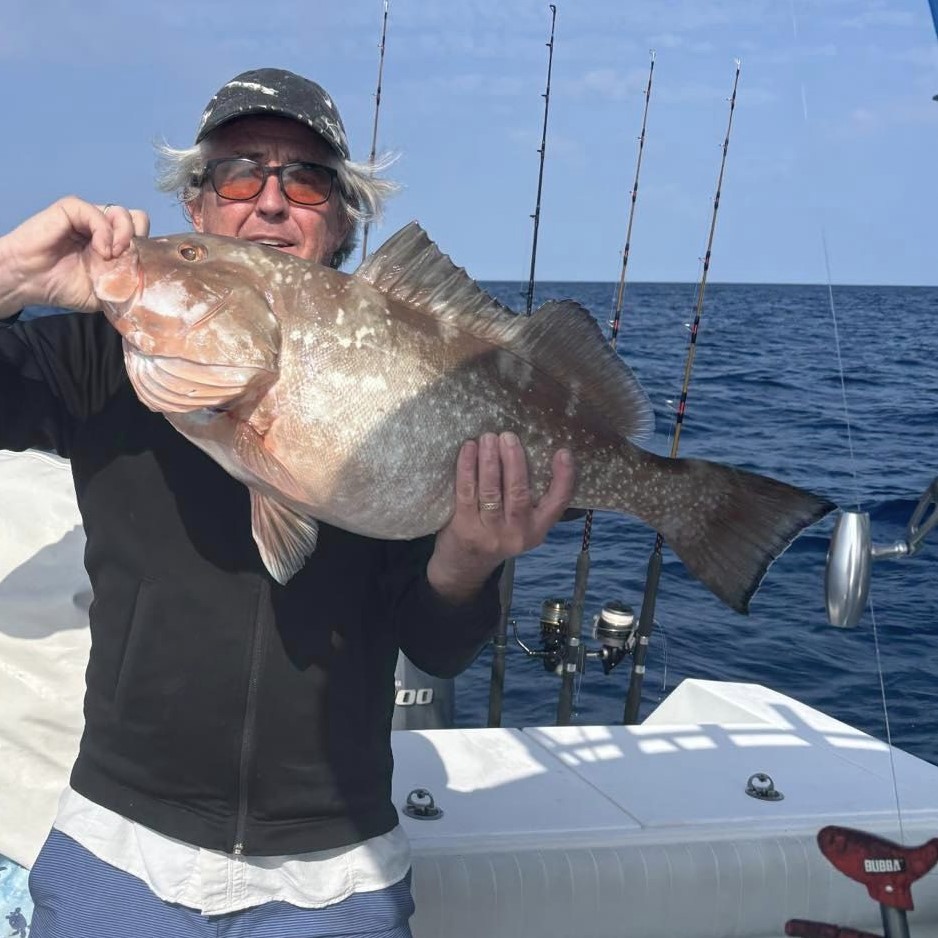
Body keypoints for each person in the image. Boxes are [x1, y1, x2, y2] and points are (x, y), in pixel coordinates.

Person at [0, 68, 575, 936]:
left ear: (342, 220)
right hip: (120, 841)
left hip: (337, 871)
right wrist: (5, 277)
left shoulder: (407, 374)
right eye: (238, 172)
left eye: (305, 180)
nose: (270, 202)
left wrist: (470, 559)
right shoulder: (98, 352)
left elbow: (437, 645)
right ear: (196, 208)